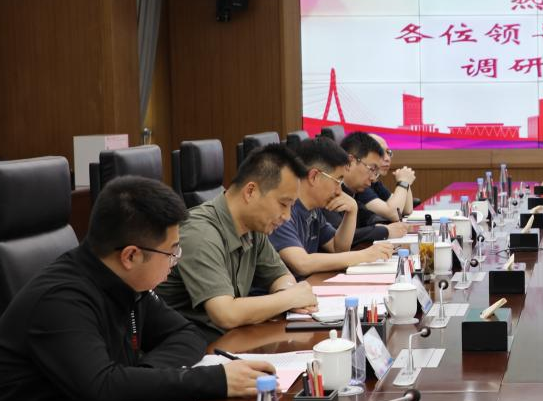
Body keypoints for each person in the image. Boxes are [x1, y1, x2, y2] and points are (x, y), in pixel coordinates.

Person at [0, 178, 275, 401]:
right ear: (131, 255)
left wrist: (137, 377)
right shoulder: (61, 299)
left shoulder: (126, 282)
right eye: (172, 252)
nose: (175, 262)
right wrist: (216, 380)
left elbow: (186, 334)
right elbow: (102, 387)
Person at [157, 143, 318, 333]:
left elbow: (280, 276)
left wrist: (288, 294)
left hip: (226, 338)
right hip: (187, 343)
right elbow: (226, 314)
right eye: (284, 204)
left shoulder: (254, 227)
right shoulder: (200, 233)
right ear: (250, 192)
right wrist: (290, 298)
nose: (287, 216)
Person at [268, 137, 394, 277]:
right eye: (338, 180)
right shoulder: (282, 210)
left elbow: (337, 248)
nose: (339, 191)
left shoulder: (314, 209)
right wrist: (364, 255)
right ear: (314, 176)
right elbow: (302, 264)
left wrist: (352, 211)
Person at [337, 131, 411, 245]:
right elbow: (336, 239)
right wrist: (384, 231)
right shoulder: (331, 193)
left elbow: (369, 219)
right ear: (350, 162)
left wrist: (381, 228)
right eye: (371, 169)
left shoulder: (353, 190)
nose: (373, 178)